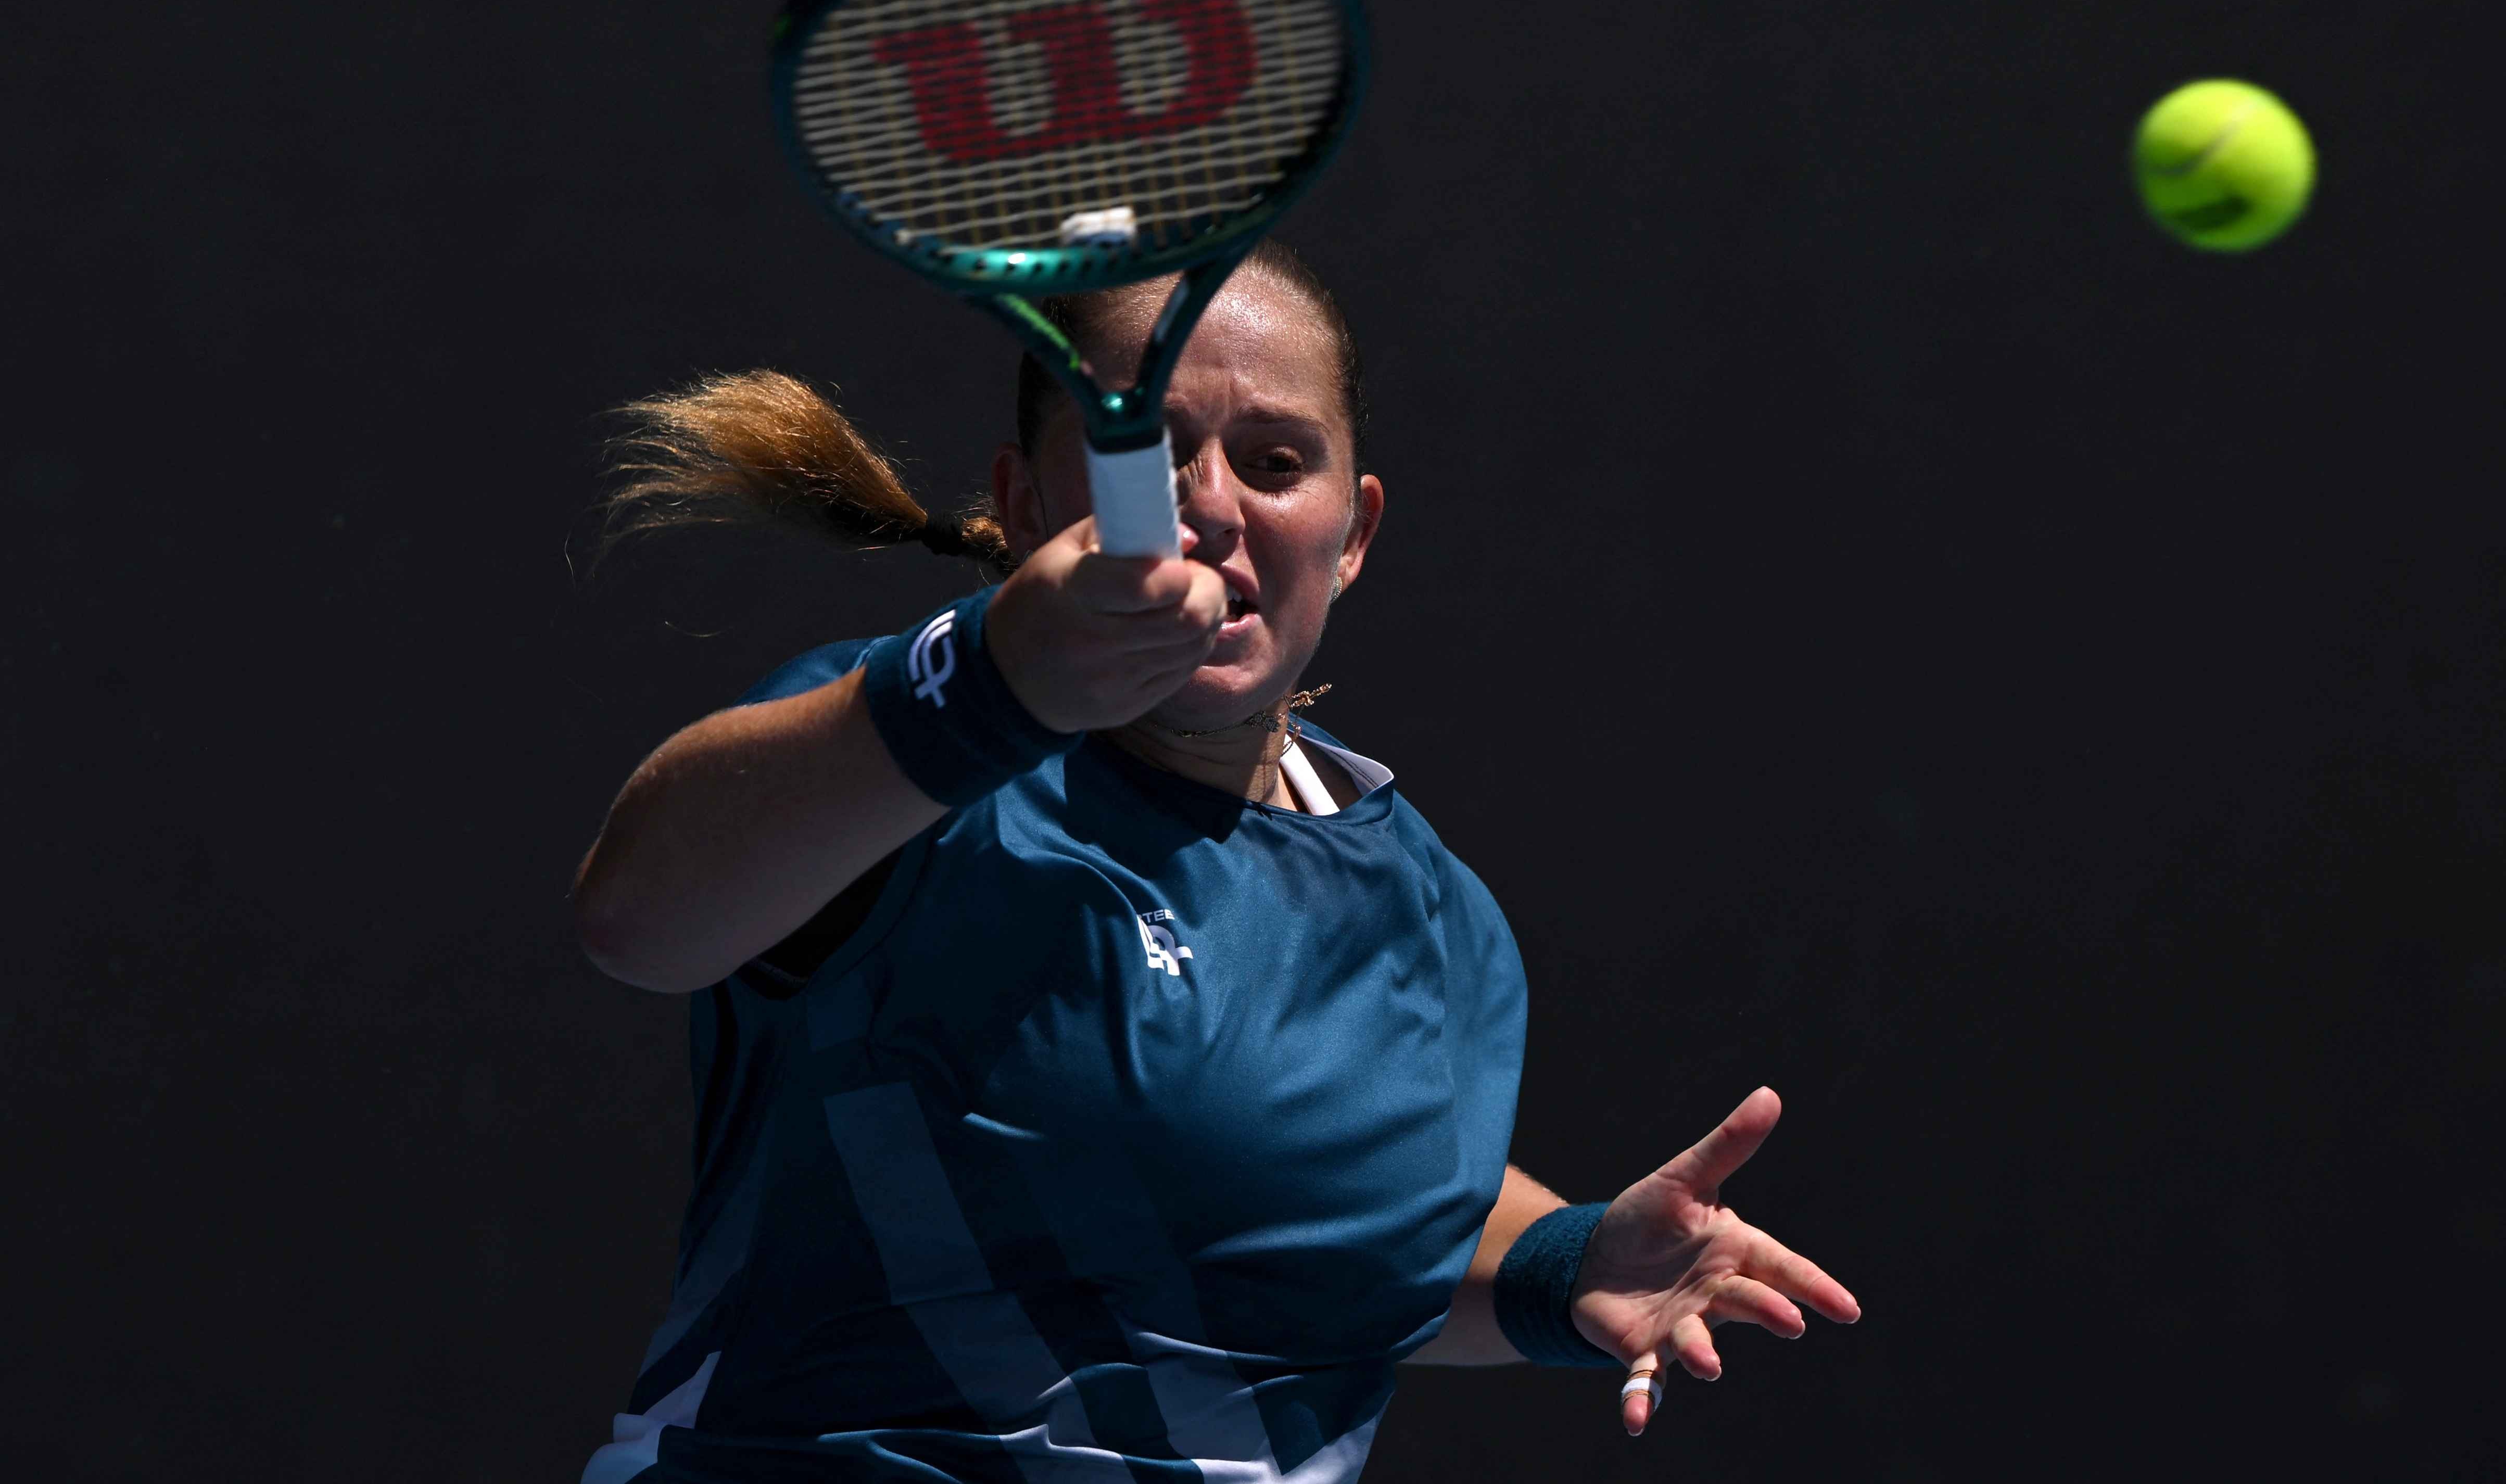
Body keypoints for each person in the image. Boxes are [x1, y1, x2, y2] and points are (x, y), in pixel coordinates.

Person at [572, 241, 1859, 1482]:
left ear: (1351, 535)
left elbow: (1353, 1220)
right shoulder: (903, 768)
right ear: (1024, 506)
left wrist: (1560, 1268)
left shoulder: (1438, 924)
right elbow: (638, 918)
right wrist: (987, 684)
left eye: (1275, 460)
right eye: (1144, 447)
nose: (1207, 503)